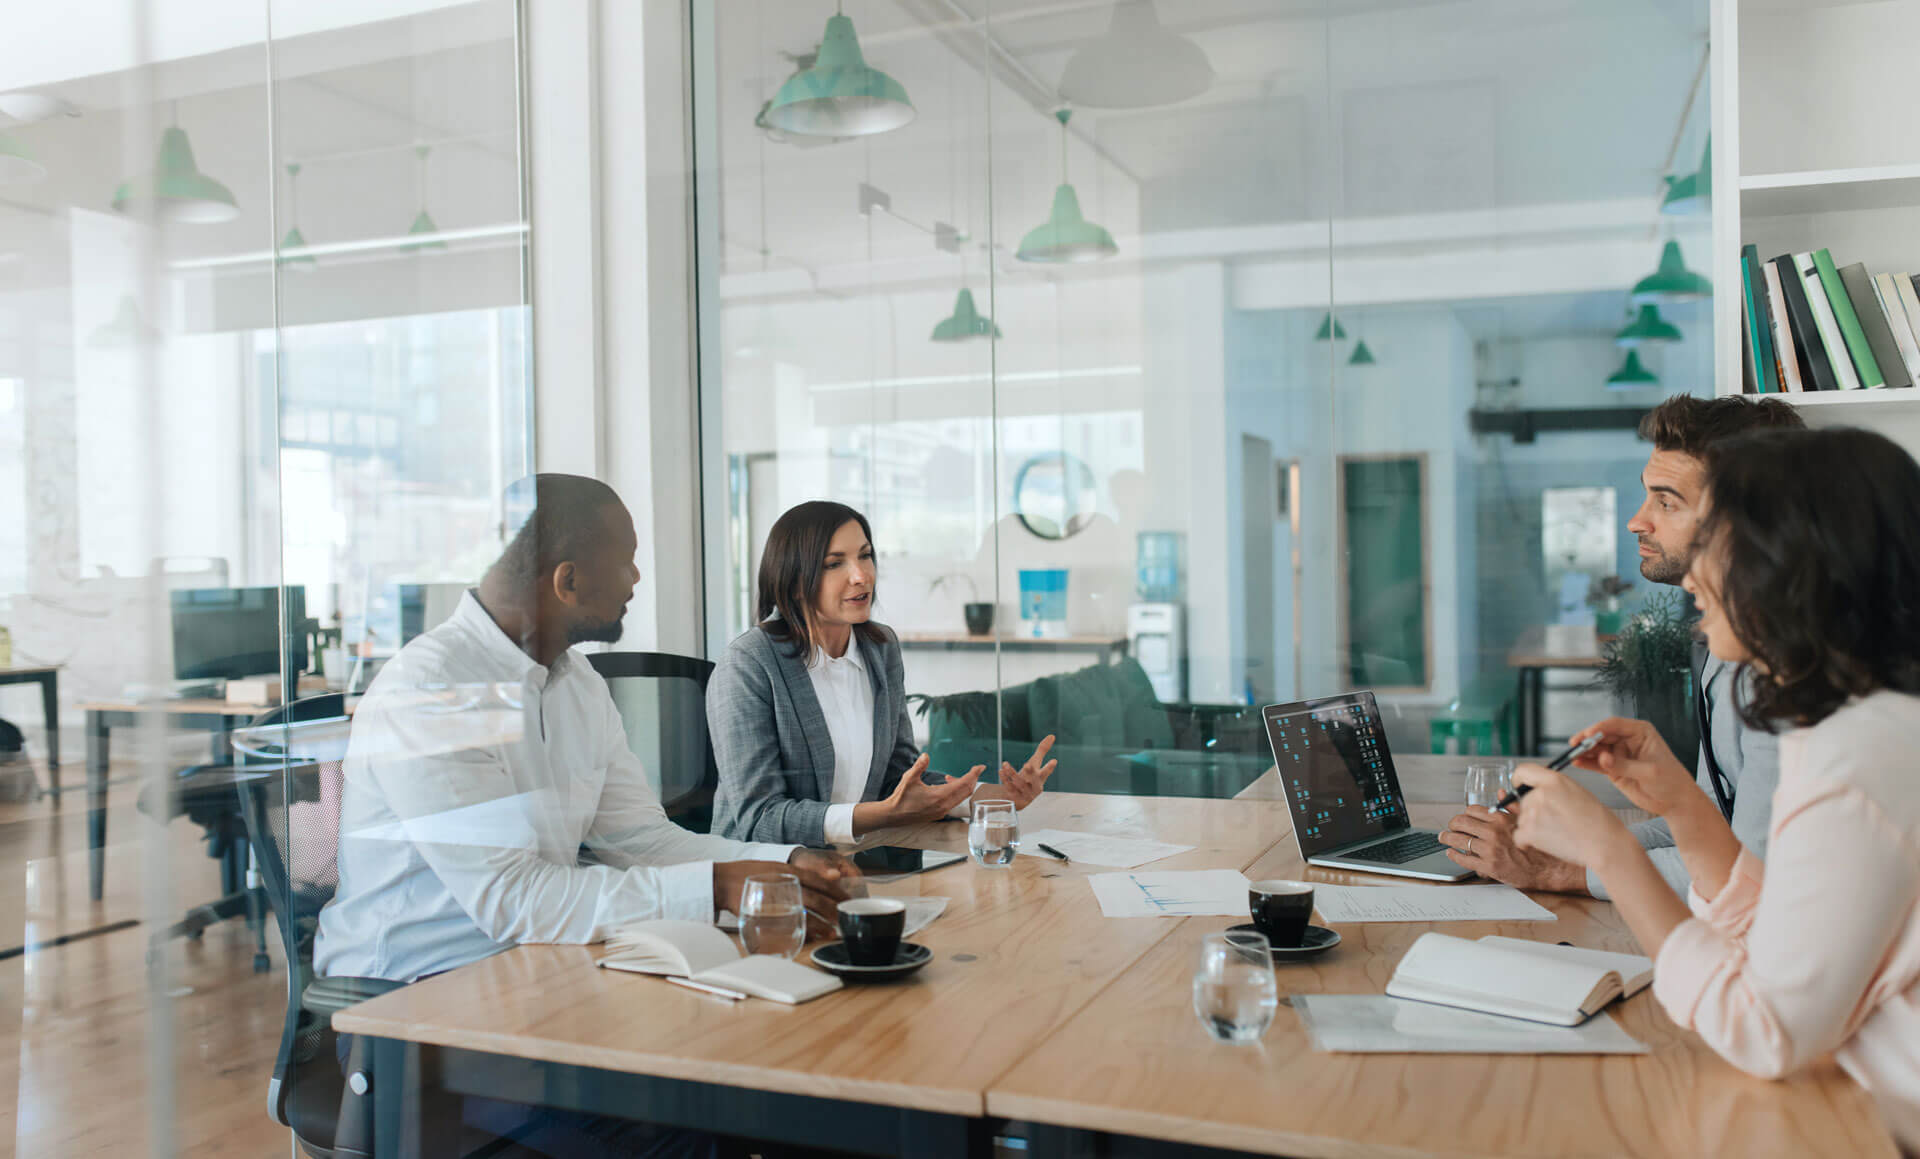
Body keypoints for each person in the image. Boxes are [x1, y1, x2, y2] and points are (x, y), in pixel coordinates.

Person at [315, 474, 859, 1159]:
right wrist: (722, 885)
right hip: (416, 1018)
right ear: (567, 581)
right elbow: (513, 899)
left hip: (537, 981)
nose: (637, 576)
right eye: (626, 559)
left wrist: (786, 868)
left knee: (756, 1075)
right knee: (685, 1124)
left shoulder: (576, 683)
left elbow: (641, 838)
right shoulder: (433, 693)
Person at [1505, 427, 1920, 1149]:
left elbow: (1766, 1030)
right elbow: (1782, 932)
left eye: (1719, 541)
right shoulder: (1868, 720)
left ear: (1793, 565)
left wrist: (1607, 849)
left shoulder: (1851, 756)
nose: (1694, 572)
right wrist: (1682, 805)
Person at [1442, 394, 1803, 897]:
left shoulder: (1794, 677)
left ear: (1741, 520)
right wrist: (1567, 849)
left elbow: (1751, 877)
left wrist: (1559, 873)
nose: (1637, 521)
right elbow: (1710, 829)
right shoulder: (1728, 645)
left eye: (1666, 501)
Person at [710, 501, 1057, 846]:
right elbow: (760, 819)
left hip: (858, 861)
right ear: (795, 581)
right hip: (762, 880)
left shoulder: (879, 648)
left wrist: (999, 798)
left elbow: (900, 777)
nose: (862, 575)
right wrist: (886, 813)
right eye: (835, 564)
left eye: (865, 555)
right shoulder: (748, 664)